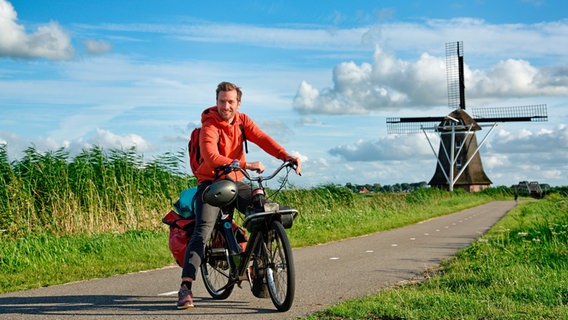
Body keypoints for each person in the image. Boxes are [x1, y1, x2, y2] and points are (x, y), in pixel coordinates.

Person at [177, 81, 301, 309]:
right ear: (217, 102)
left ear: (238, 103)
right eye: (222, 101)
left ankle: (262, 273)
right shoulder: (210, 125)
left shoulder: (243, 121)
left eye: (230, 102)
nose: (226, 106)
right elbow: (211, 156)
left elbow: (263, 139)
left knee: (263, 210)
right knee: (202, 230)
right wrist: (247, 164)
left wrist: (286, 157)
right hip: (212, 183)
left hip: (236, 181)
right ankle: (186, 287)